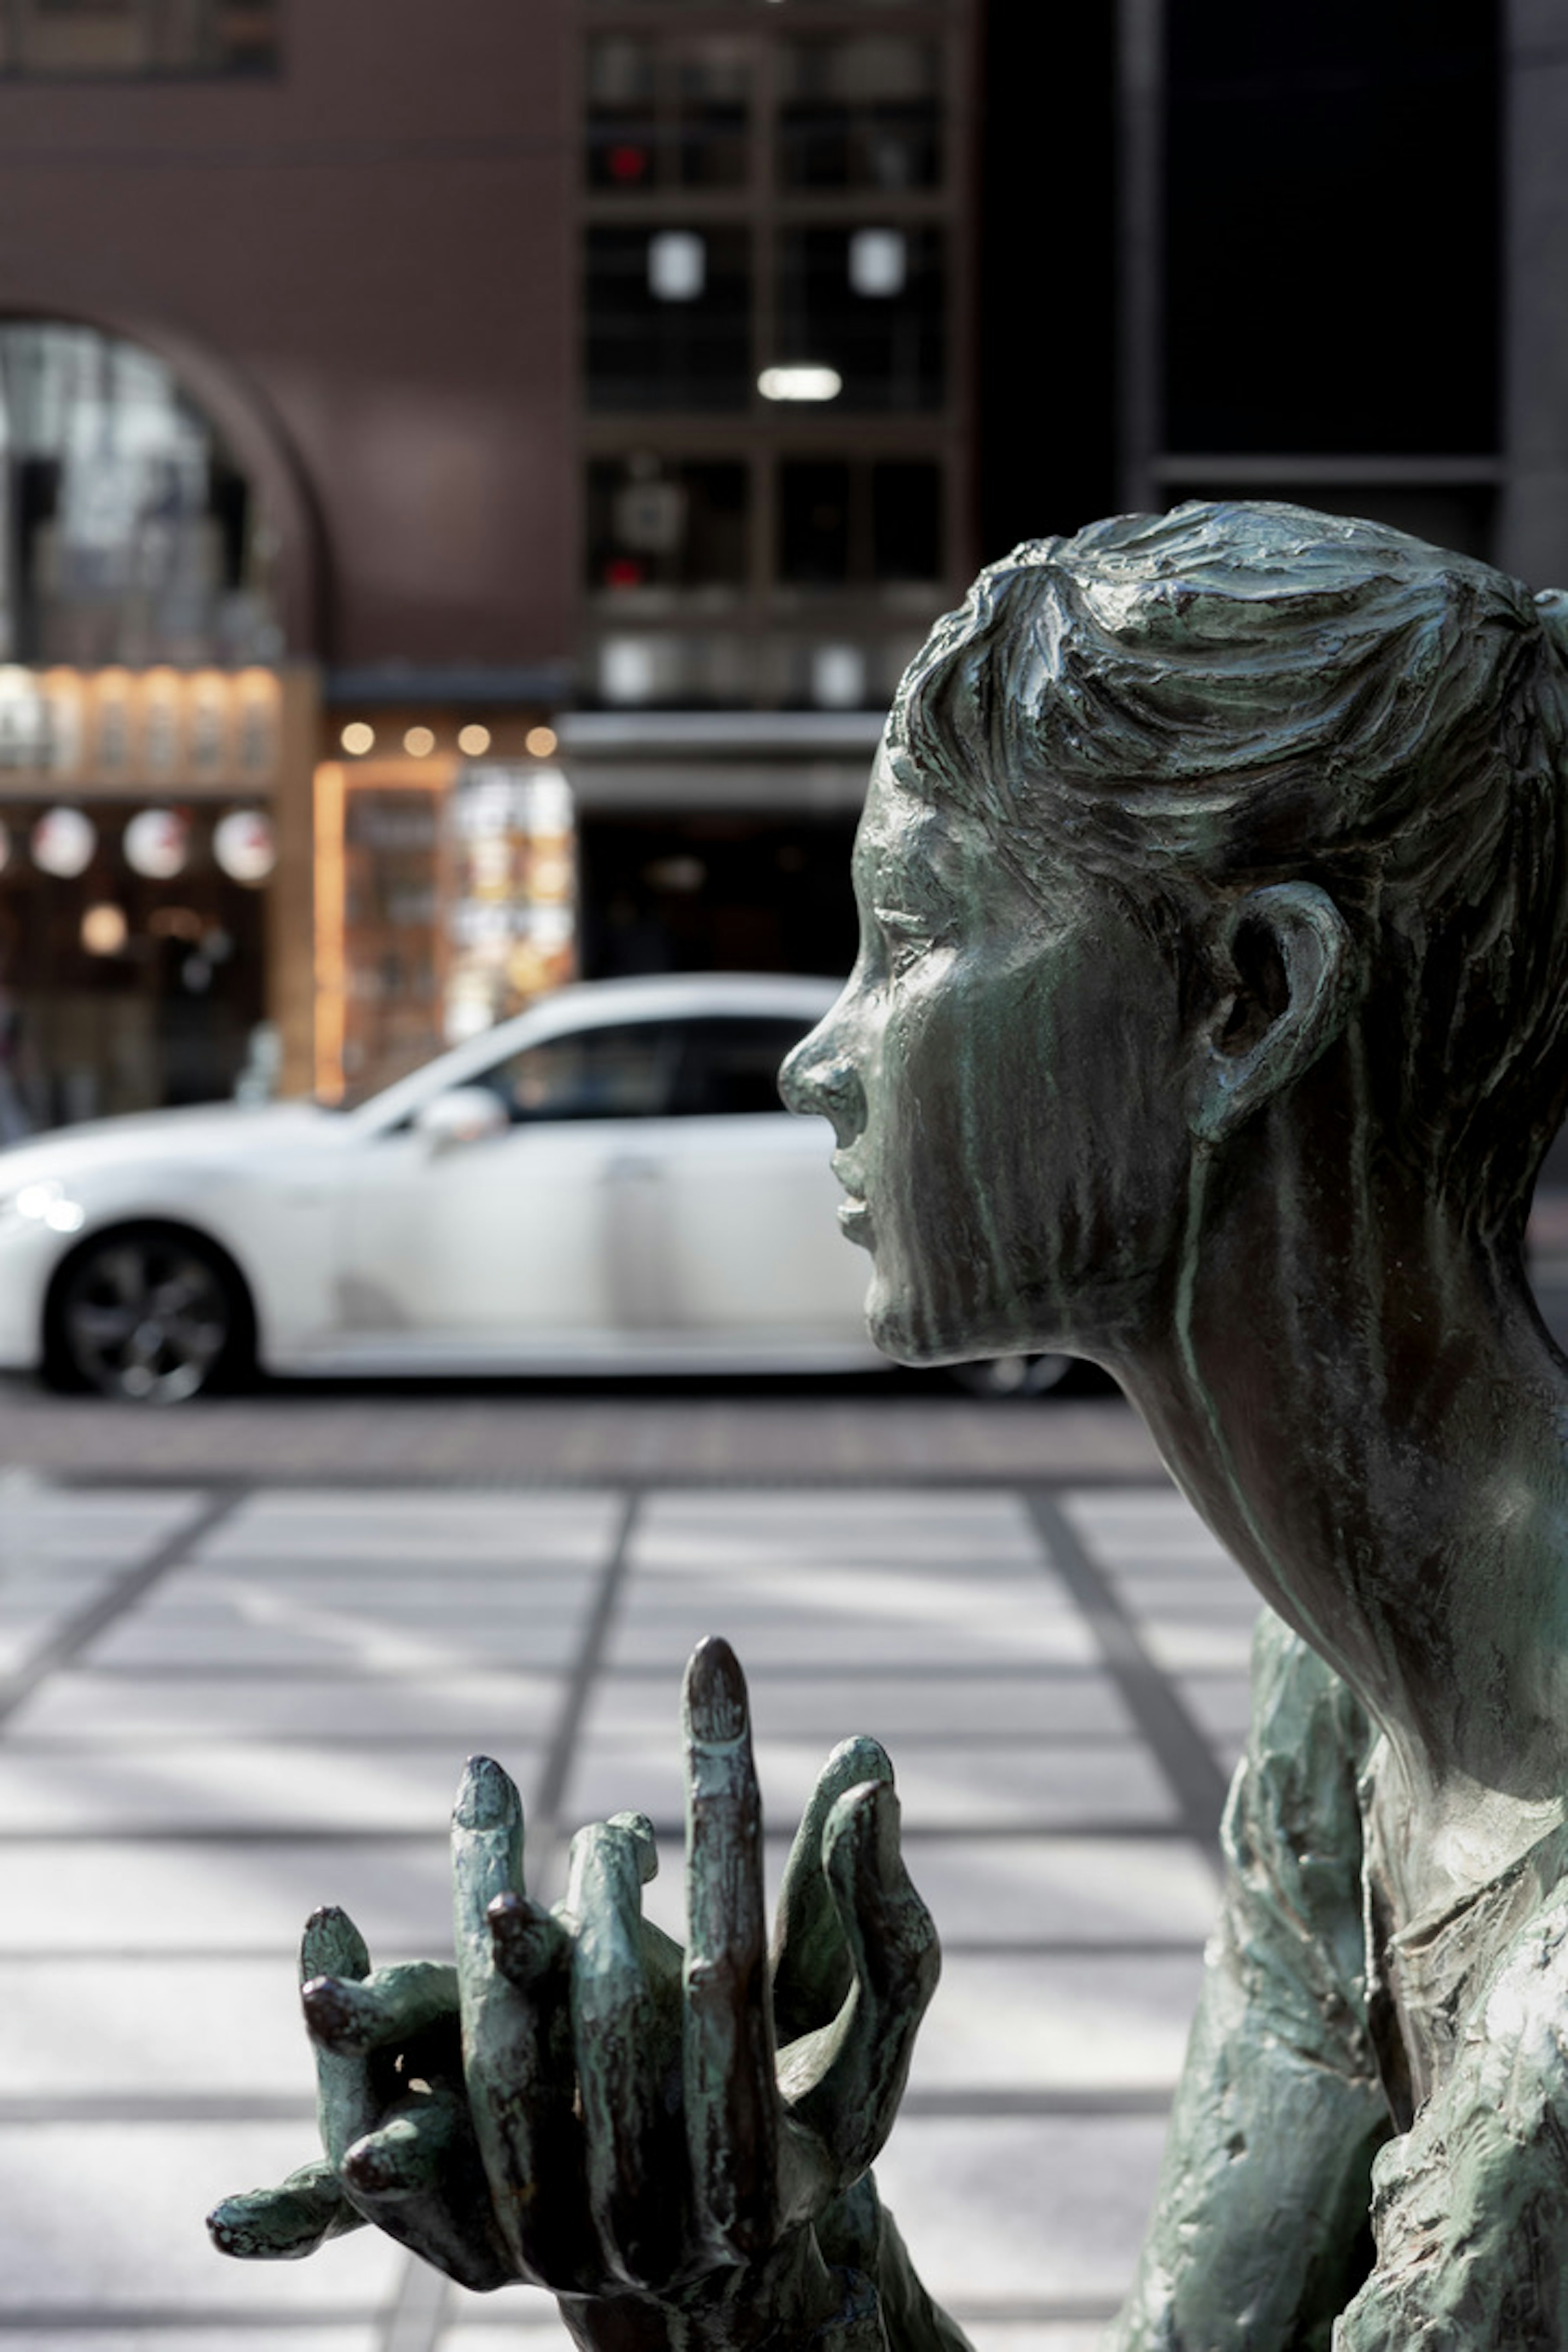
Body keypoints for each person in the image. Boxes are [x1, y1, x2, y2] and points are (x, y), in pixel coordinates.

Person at [212, 502, 1568, 2347]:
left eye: (912, 932)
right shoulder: (1347, 1693)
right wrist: (729, 2255)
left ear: (1248, 999)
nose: (819, 1052)